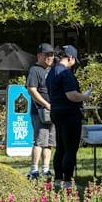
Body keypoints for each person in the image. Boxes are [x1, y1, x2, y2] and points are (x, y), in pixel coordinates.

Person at [46, 45, 91, 189]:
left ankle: (58, 179)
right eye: (74, 60)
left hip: (56, 111)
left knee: (60, 146)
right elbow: (71, 95)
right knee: (70, 148)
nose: (74, 63)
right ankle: (68, 181)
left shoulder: (52, 72)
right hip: (69, 113)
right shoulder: (65, 73)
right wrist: (85, 96)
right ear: (70, 58)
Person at [26, 43, 55, 180]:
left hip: (52, 111)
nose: (50, 57)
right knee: (39, 141)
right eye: (47, 55)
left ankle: (46, 169)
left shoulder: (52, 70)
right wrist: (46, 104)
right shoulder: (35, 70)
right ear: (39, 55)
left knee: (49, 142)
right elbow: (31, 89)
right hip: (39, 112)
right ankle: (33, 170)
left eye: (52, 54)